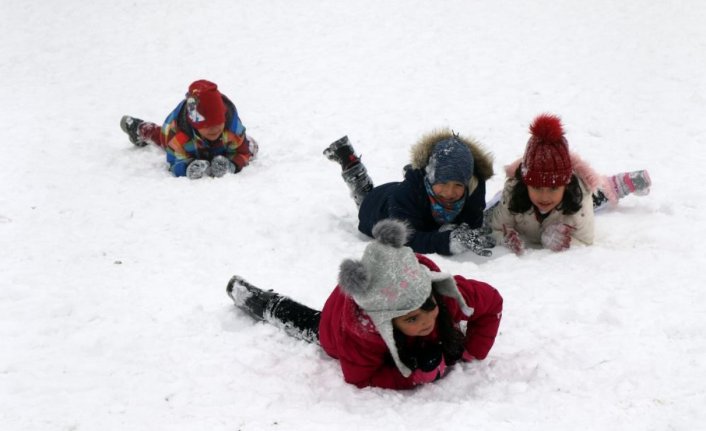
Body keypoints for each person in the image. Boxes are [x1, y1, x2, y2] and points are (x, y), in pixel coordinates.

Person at [227, 219, 503, 390]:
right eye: (411, 319)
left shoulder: (443, 293)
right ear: (386, 321)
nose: (426, 322)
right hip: (337, 325)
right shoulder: (362, 334)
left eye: (428, 308)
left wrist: (471, 351)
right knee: (310, 324)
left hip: (382, 289)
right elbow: (359, 377)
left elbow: (492, 303)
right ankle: (259, 301)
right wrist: (411, 377)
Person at [485, 113, 652, 254]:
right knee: (491, 209)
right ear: (526, 183)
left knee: (596, 196)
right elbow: (495, 229)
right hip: (521, 199)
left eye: (553, 188)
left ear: (565, 184)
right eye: (536, 187)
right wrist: (505, 239)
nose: (544, 196)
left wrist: (559, 240)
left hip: (570, 201)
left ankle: (616, 184)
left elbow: (586, 240)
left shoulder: (579, 199)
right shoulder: (513, 193)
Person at [323, 131, 496, 257]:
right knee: (364, 195)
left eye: (458, 185)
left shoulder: (474, 187)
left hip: (410, 199)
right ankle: (350, 164)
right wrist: (447, 241)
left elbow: (472, 223)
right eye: (442, 183)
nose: (450, 192)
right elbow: (404, 239)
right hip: (377, 206)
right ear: (430, 177)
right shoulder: (404, 195)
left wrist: (459, 230)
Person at [119, 79, 258, 179]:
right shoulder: (179, 136)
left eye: (218, 123)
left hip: (222, 144)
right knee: (161, 137)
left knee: (250, 145)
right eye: (207, 126)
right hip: (184, 141)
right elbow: (174, 162)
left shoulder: (232, 129)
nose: (214, 129)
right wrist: (187, 167)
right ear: (195, 124)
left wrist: (232, 164)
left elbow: (244, 152)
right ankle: (140, 129)